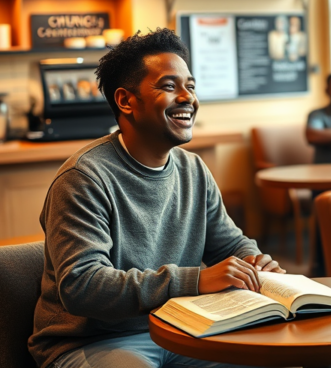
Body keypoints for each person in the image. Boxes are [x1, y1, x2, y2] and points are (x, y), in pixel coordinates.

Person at [28, 29, 284, 368]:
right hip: (89, 341)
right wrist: (194, 280)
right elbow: (83, 286)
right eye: (168, 86)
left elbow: (230, 244)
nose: (187, 98)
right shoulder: (83, 178)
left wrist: (253, 263)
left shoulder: (193, 169)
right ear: (125, 101)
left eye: (190, 86)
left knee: (273, 358)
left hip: (181, 328)